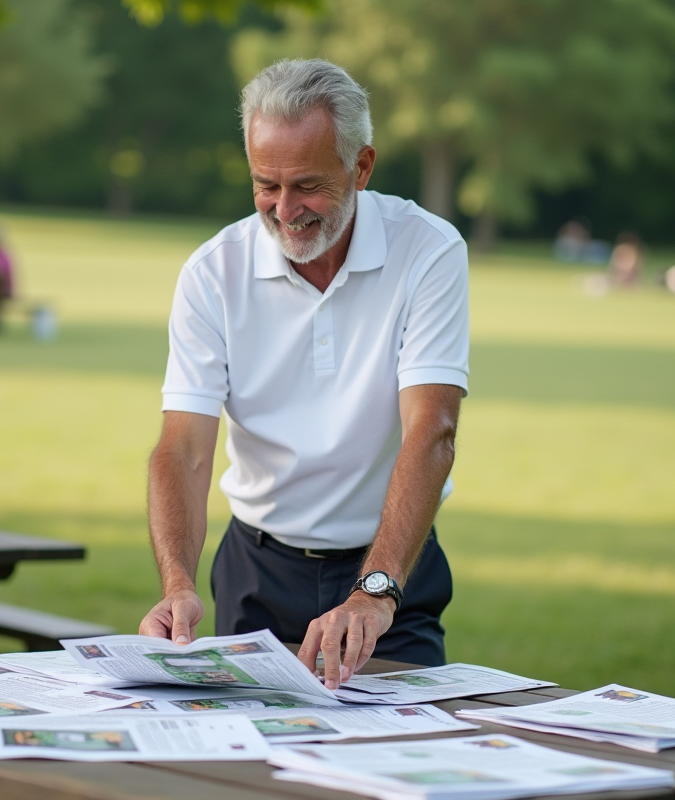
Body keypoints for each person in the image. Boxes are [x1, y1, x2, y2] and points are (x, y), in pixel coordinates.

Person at [139, 59, 468, 689]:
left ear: (361, 167)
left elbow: (434, 429)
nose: (285, 210)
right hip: (256, 574)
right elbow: (182, 449)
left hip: (390, 573)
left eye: (308, 185)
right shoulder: (212, 272)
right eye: (266, 184)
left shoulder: (429, 251)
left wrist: (374, 592)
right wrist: (176, 583)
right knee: (253, 777)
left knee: (404, 764)